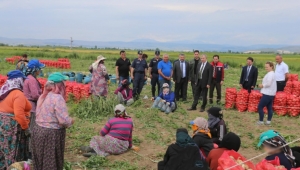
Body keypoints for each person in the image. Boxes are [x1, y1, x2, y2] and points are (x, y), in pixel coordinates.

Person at [31, 72, 74, 170]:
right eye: (63, 83)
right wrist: (71, 121)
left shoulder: (44, 96)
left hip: (38, 131)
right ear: (59, 85)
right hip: (51, 134)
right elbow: (63, 121)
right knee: (51, 162)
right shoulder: (58, 98)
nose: (64, 85)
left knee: (40, 160)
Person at [0, 70, 31, 169]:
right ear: (18, 80)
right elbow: (19, 114)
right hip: (13, 127)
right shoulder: (18, 94)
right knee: (13, 151)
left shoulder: (4, 91)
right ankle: (12, 167)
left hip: (3, 125)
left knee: (4, 149)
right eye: (23, 79)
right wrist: (26, 128)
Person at [23, 59, 45, 130]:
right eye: (39, 69)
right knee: (31, 129)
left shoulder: (28, 78)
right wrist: (43, 98)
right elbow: (35, 95)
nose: (40, 71)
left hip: (27, 106)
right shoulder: (32, 80)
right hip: (31, 108)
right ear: (35, 69)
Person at [257, 62, 277, 126]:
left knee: (260, 106)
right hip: (271, 94)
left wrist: (262, 85)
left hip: (267, 94)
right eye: (265, 67)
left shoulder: (271, 74)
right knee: (269, 108)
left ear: (271, 67)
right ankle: (268, 121)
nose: (266, 68)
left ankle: (261, 121)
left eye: (267, 67)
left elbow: (268, 83)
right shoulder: (272, 73)